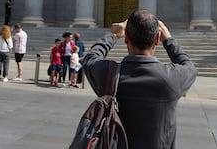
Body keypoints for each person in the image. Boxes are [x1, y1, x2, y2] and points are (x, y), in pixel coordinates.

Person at [82, 9, 197, 149]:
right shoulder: (171, 78)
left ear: (126, 38)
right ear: (156, 39)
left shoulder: (109, 75)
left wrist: (112, 35)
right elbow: (189, 66)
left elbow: (90, 59)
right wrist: (168, 40)